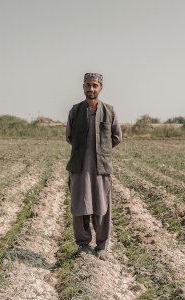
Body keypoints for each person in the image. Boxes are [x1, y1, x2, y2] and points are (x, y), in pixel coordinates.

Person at [65, 73, 122, 260]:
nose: (91, 89)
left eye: (95, 85)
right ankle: (83, 245)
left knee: (102, 208)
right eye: (88, 85)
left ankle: (102, 246)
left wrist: (101, 151)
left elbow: (116, 137)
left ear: (100, 88)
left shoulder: (109, 111)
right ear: (83, 87)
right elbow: (69, 137)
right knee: (80, 207)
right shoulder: (75, 111)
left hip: (101, 169)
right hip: (79, 168)